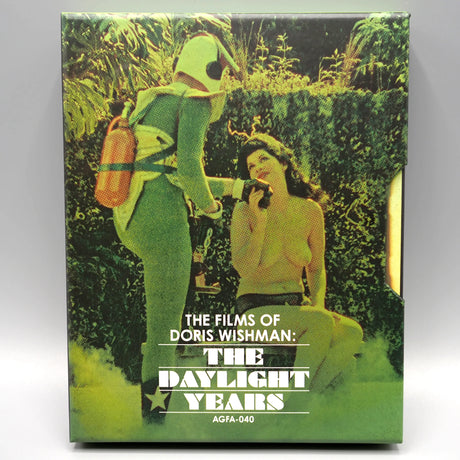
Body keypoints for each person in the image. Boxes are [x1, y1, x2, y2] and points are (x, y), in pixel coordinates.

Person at [112, 33, 270, 424]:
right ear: (212, 70)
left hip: (130, 217)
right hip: (162, 224)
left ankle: (152, 418)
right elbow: (188, 169)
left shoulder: (152, 100)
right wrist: (212, 210)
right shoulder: (195, 101)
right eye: (223, 73)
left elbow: (168, 171)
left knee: (160, 325)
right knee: (164, 333)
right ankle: (154, 426)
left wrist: (236, 188)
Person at [231, 133, 363, 392]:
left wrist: (318, 306)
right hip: (255, 312)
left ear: (283, 163)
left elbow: (316, 268)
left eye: (263, 159)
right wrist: (260, 222)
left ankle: (305, 398)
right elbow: (243, 268)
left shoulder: (310, 210)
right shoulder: (244, 211)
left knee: (351, 332)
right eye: (251, 166)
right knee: (320, 322)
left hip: (298, 309)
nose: (258, 168)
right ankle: (300, 399)